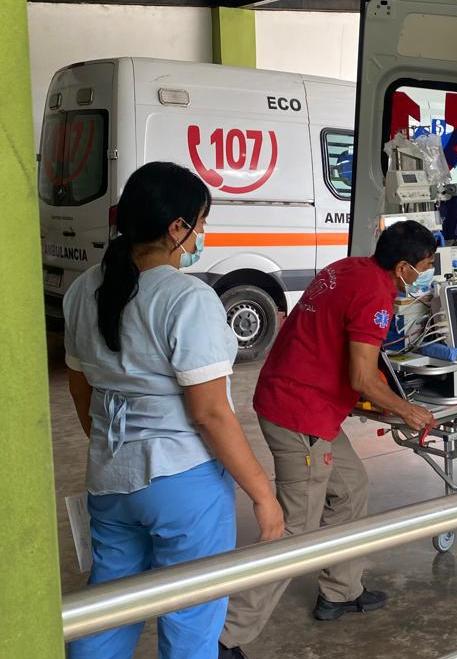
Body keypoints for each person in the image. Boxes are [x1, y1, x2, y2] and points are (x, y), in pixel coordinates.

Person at [64, 162, 285, 659]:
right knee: (192, 621)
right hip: (183, 482)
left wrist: (113, 446)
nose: (201, 234)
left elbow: (81, 391)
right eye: (201, 223)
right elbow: (210, 414)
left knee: (107, 610)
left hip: (110, 478)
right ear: (176, 227)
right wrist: (263, 494)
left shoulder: (82, 290)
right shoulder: (187, 298)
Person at [219, 221, 437, 658]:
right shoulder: (375, 295)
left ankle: (340, 590)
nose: (426, 274)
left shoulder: (350, 268)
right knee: (293, 530)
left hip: (303, 403)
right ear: (404, 268)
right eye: (426, 266)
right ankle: (225, 637)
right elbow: (361, 377)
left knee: (351, 487)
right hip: (299, 414)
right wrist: (406, 409)